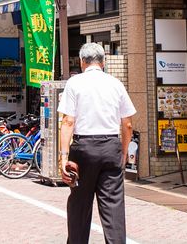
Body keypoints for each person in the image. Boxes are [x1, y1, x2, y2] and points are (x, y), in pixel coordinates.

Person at [58, 42, 136, 244]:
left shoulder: (74, 83)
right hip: (111, 146)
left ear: (82, 62)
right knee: (113, 206)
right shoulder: (116, 83)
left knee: (80, 205)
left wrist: (64, 156)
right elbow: (127, 124)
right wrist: (124, 151)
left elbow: (68, 121)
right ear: (103, 62)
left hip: (84, 150)